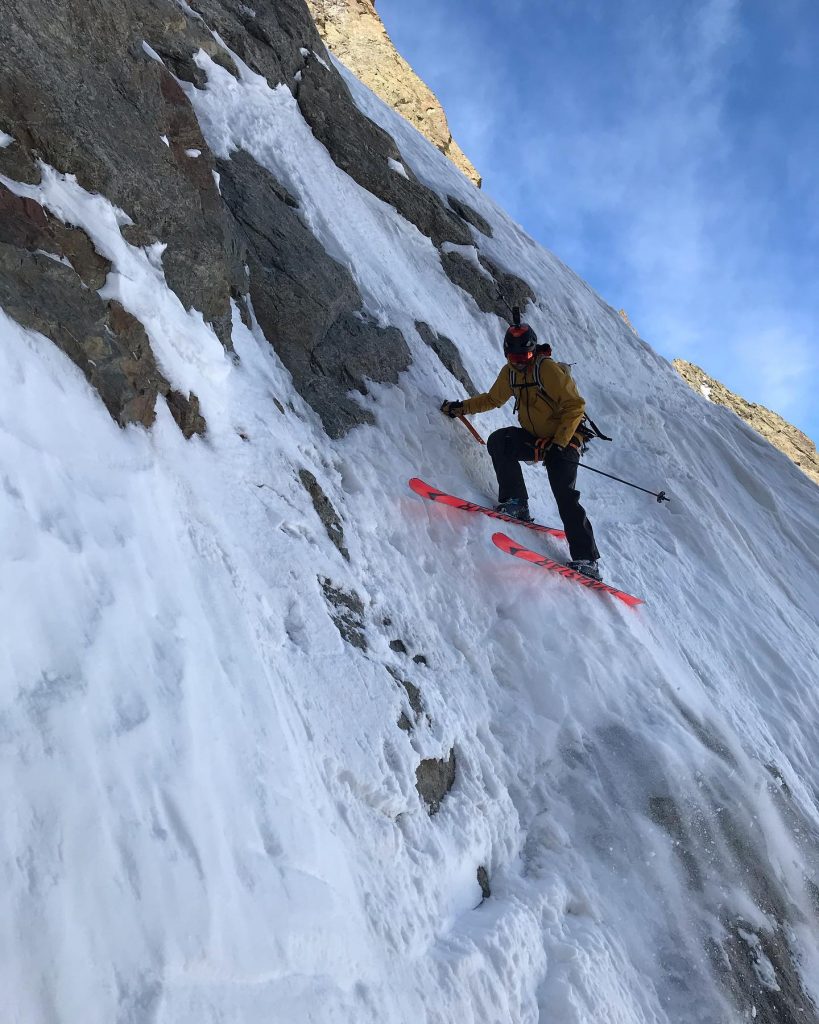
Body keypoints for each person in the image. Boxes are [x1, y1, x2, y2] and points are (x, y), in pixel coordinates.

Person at [441, 322, 602, 580]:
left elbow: (575, 405)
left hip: (565, 439)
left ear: (533, 351)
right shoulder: (510, 374)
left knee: (564, 492)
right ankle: (516, 502)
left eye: (524, 356)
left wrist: (559, 443)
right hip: (536, 438)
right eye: (513, 357)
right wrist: (460, 408)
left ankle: (587, 559)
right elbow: (492, 399)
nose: (518, 363)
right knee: (500, 441)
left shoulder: (546, 369)